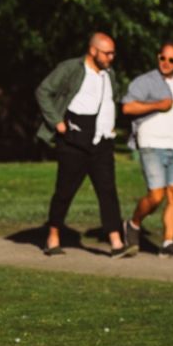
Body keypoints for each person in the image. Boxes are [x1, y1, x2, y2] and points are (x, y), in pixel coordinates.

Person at [35, 32, 127, 257]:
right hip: (75, 138)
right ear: (93, 50)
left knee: (107, 191)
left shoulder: (109, 74)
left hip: (102, 140)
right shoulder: (70, 69)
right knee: (65, 191)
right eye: (107, 53)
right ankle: (53, 236)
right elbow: (43, 91)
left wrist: (110, 124)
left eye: (113, 52)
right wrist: (57, 122)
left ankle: (116, 242)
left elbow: (111, 100)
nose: (111, 57)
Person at [121, 42, 173, 258]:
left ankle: (168, 243)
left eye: (171, 60)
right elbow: (127, 107)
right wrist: (156, 105)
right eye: (162, 58)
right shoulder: (145, 81)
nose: (166, 63)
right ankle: (133, 224)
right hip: (151, 143)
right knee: (156, 195)